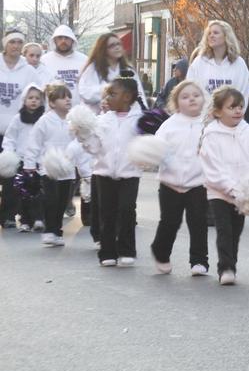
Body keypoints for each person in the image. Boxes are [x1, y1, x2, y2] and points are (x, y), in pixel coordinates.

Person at [199, 86, 249, 286]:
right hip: (219, 192)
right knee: (224, 230)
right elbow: (212, 169)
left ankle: (232, 264)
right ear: (218, 111)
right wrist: (232, 189)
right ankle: (225, 268)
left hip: (243, 194)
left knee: (236, 231)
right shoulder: (211, 135)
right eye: (231, 107)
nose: (238, 111)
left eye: (240, 106)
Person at [78, 72, 144, 266]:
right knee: (107, 213)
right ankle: (107, 252)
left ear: (127, 97)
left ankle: (127, 250)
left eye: (112, 94)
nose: (107, 99)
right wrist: (83, 136)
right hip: (104, 173)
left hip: (129, 173)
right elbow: (95, 147)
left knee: (126, 210)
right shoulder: (103, 120)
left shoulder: (139, 120)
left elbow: (147, 145)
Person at [150, 80, 210, 277]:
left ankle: (199, 260)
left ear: (204, 99)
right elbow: (157, 148)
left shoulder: (209, 124)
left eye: (195, 95)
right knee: (169, 221)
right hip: (170, 183)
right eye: (185, 97)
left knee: (198, 222)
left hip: (198, 183)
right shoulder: (169, 125)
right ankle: (161, 252)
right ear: (176, 103)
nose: (191, 98)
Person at [23, 83, 89, 246]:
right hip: (49, 169)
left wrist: (85, 171)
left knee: (62, 202)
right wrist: (30, 164)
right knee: (51, 200)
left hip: (68, 171)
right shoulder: (44, 121)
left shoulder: (73, 122)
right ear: (52, 103)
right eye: (62, 97)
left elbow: (80, 146)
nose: (67, 99)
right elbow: (34, 143)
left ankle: (57, 231)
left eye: (69, 97)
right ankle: (49, 231)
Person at [2, 84, 46, 231]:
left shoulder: (44, 118)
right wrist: (9, 153)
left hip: (39, 160)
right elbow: (10, 137)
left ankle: (39, 218)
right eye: (30, 97)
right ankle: (25, 220)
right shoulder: (18, 119)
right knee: (22, 191)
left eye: (37, 98)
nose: (34, 101)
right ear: (24, 99)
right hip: (21, 159)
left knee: (39, 190)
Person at [78, 32, 148, 114]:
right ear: (103, 50)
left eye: (119, 44)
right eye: (112, 46)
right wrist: (106, 90)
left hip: (124, 117)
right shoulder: (93, 69)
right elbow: (85, 92)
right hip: (96, 118)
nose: (117, 48)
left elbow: (139, 94)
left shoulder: (128, 70)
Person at [186, 20, 249, 106]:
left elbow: (243, 94)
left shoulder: (239, 64)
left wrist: (233, 114)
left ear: (226, 36)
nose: (211, 36)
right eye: (209, 33)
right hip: (204, 117)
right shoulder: (199, 62)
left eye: (216, 33)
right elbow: (190, 89)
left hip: (230, 117)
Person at [39, 25, 88, 103]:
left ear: (72, 40)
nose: (63, 41)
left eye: (66, 38)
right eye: (60, 38)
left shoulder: (84, 60)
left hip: (77, 111)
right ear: (54, 40)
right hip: (52, 111)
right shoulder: (44, 60)